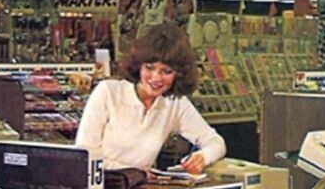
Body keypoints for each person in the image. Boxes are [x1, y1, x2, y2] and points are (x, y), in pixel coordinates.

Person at [75, 22, 226, 174]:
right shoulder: (108, 92)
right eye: (149, 67)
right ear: (139, 65)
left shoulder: (175, 104)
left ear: (178, 75)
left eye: (166, 71)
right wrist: (135, 172)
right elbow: (84, 156)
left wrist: (203, 156)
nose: (156, 78)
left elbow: (216, 142)